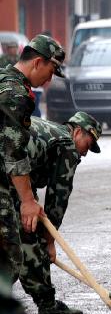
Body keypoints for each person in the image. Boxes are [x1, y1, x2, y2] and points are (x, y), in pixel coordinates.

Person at [17, 112, 101, 314]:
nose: (85, 153)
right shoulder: (67, 146)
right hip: (8, 173)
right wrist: (49, 241)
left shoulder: (49, 131)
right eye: (87, 145)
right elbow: (58, 199)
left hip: (13, 173)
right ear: (78, 131)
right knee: (29, 235)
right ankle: (47, 303)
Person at [0, 35, 65, 289]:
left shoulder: (4, 79)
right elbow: (13, 151)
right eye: (50, 71)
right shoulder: (15, 94)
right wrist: (28, 201)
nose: (49, 80)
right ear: (38, 62)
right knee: (10, 257)